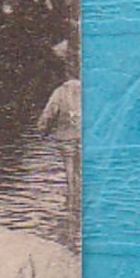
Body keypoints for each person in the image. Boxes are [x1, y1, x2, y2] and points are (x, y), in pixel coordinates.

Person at [38, 68, 82, 215]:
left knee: (70, 170)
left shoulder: (60, 91)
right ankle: (80, 206)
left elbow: (48, 114)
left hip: (66, 135)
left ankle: (71, 204)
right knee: (82, 169)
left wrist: (43, 131)